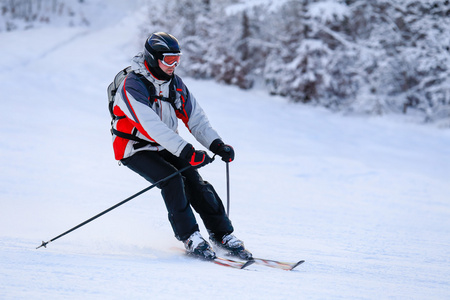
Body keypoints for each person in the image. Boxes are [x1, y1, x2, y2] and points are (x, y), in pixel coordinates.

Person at [109, 32, 252, 261]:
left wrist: (216, 144)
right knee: (173, 179)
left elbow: (195, 118)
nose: (173, 65)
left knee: (196, 182)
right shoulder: (132, 85)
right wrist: (187, 151)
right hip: (134, 147)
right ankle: (190, 237)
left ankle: (222, 235)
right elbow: (150, 126)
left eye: (177, 59)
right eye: (168, 59)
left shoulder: (174, 83)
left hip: (166, 145)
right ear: (153, 58)